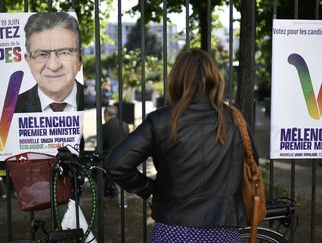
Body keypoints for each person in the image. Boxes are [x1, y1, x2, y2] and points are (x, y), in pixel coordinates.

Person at [107, 48, 258, 242]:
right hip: (223, 231)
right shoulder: (236, 121)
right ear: (215, 79)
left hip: (174, 230)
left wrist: (149, 188)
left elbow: (116, 164)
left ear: (176, 79)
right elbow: (252, 164)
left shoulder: (161, 121)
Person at [14, 12, 84, 113]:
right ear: (29, 61)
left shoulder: (95, 103)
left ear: (79, 59)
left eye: (64, 52)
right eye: (41, 54)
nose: (53, 66)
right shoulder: (11, 110)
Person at [102, 105, 129, 198]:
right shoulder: (125, 125)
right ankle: (122, 199)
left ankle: (107, 192)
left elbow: (100, 145)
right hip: (124, 158)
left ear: (106, 114)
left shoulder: (105, 127)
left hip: (108, 159)